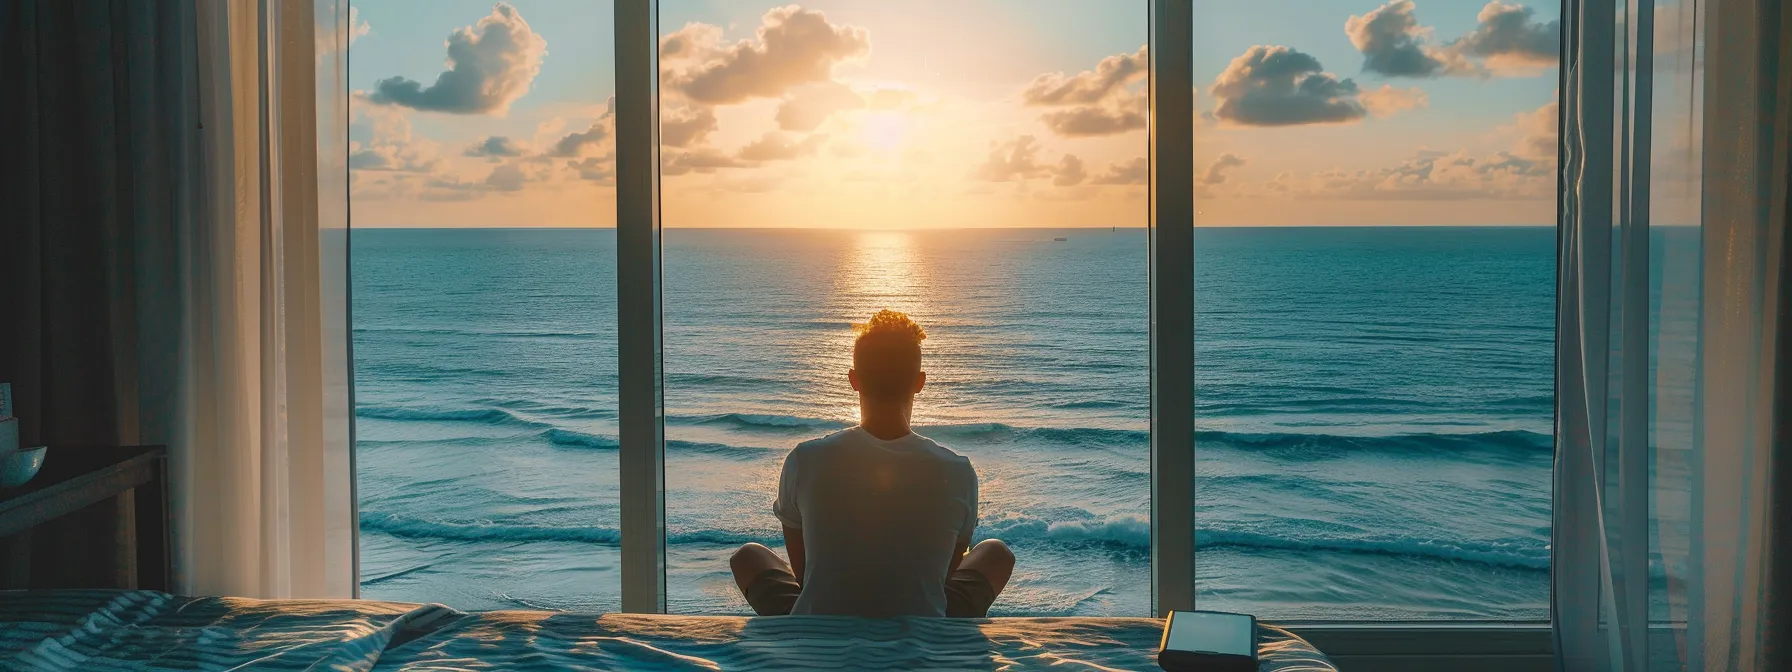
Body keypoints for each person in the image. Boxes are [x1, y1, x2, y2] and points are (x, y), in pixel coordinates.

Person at [729, 309, 1014, 618]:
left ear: (854, 379)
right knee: (995, 552)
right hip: (924, 616)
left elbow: (804, 574)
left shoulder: (805, 459)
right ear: (920, 382)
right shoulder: (958, 470)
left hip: (819, 617)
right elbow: (944, 575)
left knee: (749, 556)